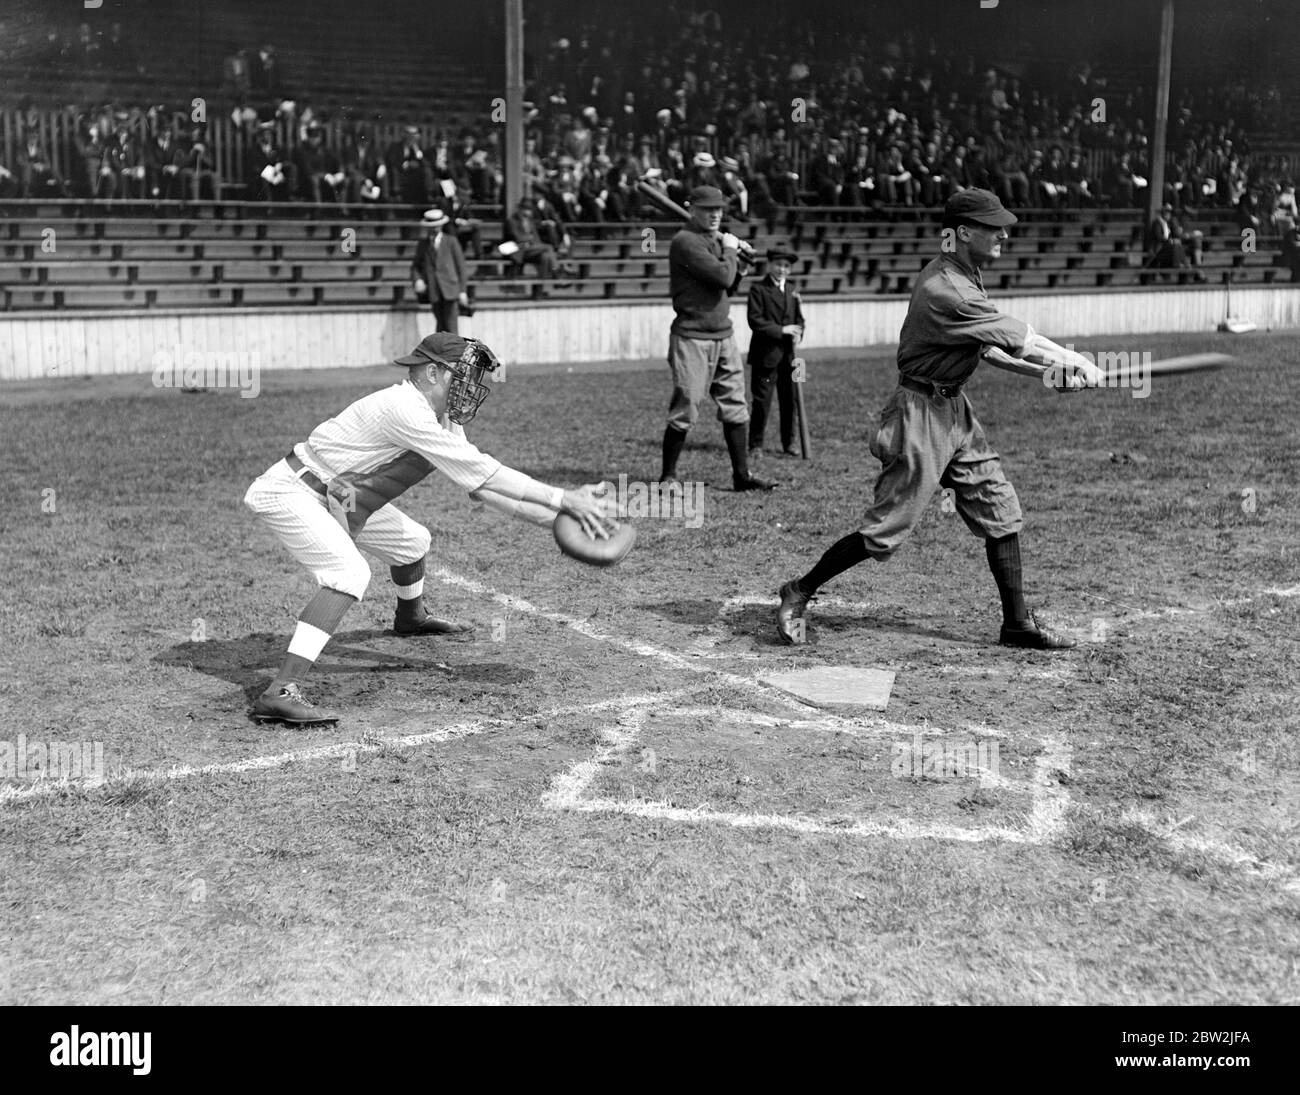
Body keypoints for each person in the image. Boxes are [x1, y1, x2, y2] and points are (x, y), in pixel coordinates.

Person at [775, 189, 1104, 650]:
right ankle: (799, 590)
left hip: (954, 410)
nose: (1005, 235)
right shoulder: (944, 288)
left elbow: (987, 349)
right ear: (965, 233)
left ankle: (1016, 624)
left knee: (1000, 509)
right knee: (886, 529)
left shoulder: (965, 276)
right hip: (918, 416)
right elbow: (1019, 338)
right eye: (995, 227)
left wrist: (1049, 372)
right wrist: (1074, 359)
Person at [242, 333, 618, 725]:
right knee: (348, 574)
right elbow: (488, 474)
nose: (472, 387)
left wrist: (561, 521)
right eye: (465, 375)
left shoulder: (443, 420)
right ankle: (280, 691)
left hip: (341, 494)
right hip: (294, 490)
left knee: (413, 543)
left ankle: (412, 618)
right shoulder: (404, 408)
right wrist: (564, 499)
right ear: (433, 373)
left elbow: (483, 489)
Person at [661, 186, 773, 492]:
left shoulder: (714, 240)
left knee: (735, 404)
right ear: (691, 208)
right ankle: (668, 476)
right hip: (692, 337)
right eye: (707, 209)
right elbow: (722, 276)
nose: (714, 215)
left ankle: (742, 476)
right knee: (688, 403)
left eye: (719, 210)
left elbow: (727, 286)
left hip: (723, 334)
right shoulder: (685, 242)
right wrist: (732, 250)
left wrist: (741, 267)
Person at [746, 244, 805, 460]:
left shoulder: (792, 290)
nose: (782, 269)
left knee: (790, 401)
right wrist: (781, 330)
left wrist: (799, 332)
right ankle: (755, 445)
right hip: (765, 357)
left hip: (790, 358)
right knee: (762, 401)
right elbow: (755, 320)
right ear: (770, 265)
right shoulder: (758, 289)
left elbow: (799, 319)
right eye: (778, 264)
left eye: (786, 266)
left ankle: (789, 443)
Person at [410, 209, 469, 334]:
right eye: (430, 227)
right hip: (434, 290)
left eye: (436, 226)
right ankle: (442, 353)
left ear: (441, 225)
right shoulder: (423, 244)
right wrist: (418, 280)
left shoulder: (451, 241)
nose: (433, 229)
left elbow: (461, 267)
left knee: (451, 326)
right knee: (440, 327)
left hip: (450, 289)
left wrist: (463, 291)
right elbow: (415, 266)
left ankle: (454, 353)